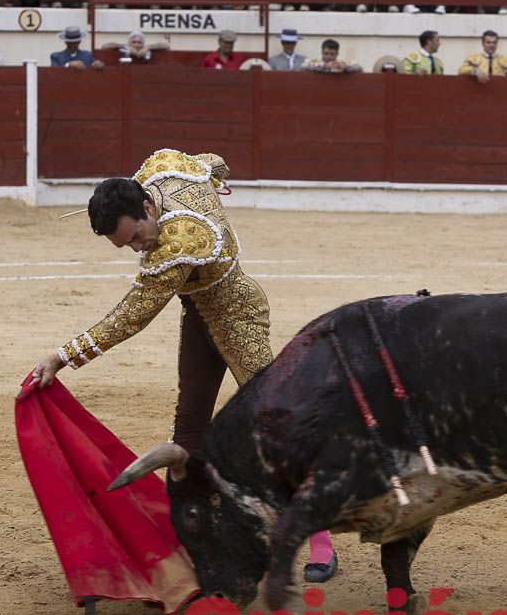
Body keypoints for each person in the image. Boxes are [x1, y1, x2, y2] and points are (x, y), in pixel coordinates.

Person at [28, 149, 340, 583]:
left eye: (136, 236)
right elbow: (211, 160)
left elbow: (131, 316)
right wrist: (219, 180)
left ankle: (322, 540)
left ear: (148, 208)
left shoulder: (178, 243)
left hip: (237, 317)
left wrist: (61, 357)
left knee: (279, 423)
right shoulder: (166, 170)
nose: (139, 248)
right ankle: (186, 538)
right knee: (189, 427)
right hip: (200, 314)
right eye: (128, 246)